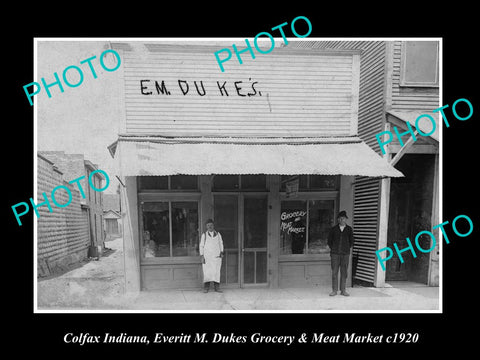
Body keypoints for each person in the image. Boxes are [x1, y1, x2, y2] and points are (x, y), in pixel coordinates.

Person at [327, 211, 354, 296]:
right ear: (338, 219)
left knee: (344, 273)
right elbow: (329, 241)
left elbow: (351, 242)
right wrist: (334, 248)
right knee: (334, 272)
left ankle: (343, 290)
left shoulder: (349, 229)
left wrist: (345, 248)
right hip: (335, 254)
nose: (342, 220)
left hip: (345, 254)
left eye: (344, 218)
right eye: (341, 218)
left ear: (346, 219)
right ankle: (334, 290)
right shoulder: (333, 229)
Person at [199, 219, 224, 293]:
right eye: (208, 225)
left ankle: (217, 288)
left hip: (216, 257)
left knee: (216, 272)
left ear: (213, 225)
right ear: (206, 227)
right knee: (207, 272)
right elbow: (201, 246)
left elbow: (221, 243)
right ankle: (206, 288)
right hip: (207, 258)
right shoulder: (204, 235)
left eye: (211, 225)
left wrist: (222, 252)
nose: (210, 226)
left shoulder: (218, 234)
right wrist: (202, 256)